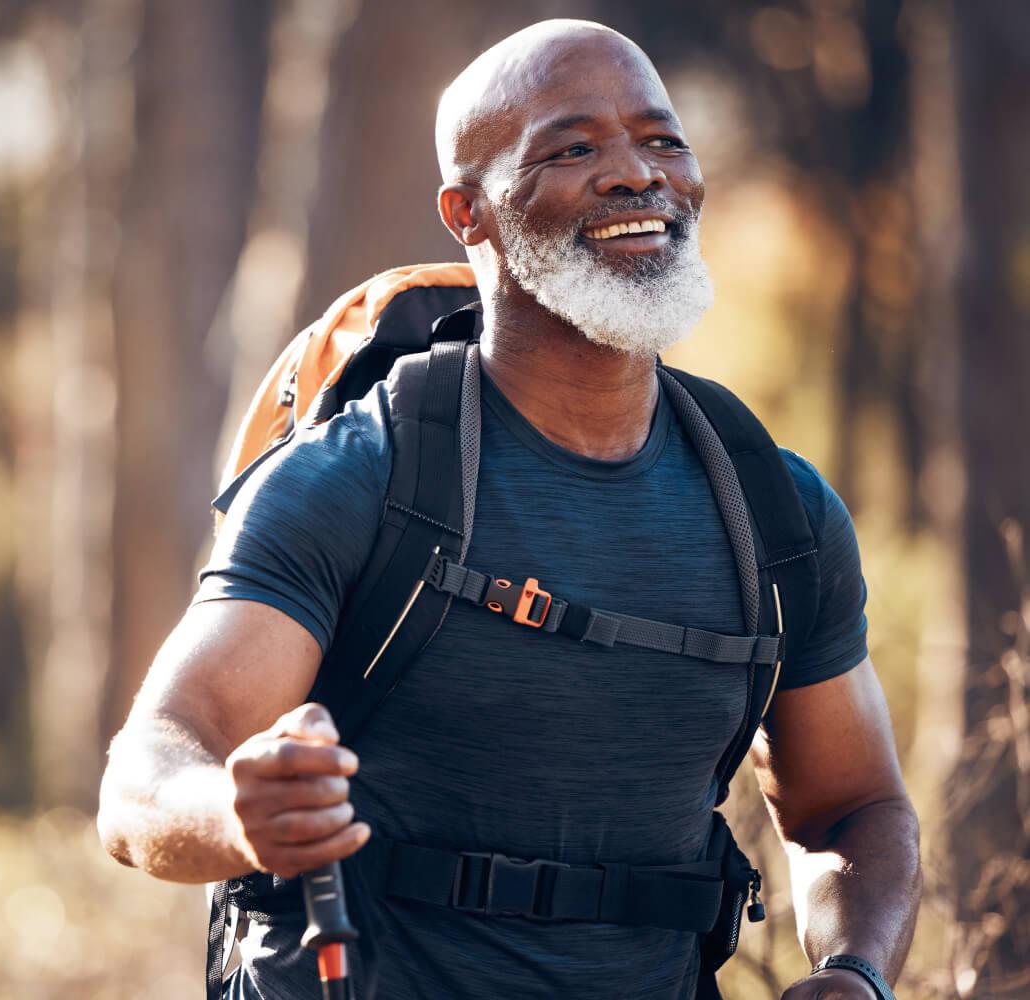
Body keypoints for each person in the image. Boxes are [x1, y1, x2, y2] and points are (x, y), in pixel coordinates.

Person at [97, 18, 920, 1000]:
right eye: (573, 149)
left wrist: (856, 971)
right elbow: (144, 775)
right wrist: (234, 812)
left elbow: (853, 807)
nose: (634, 174)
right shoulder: (357, 478)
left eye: (662, 140)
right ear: (467, 213)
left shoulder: (777, 511)